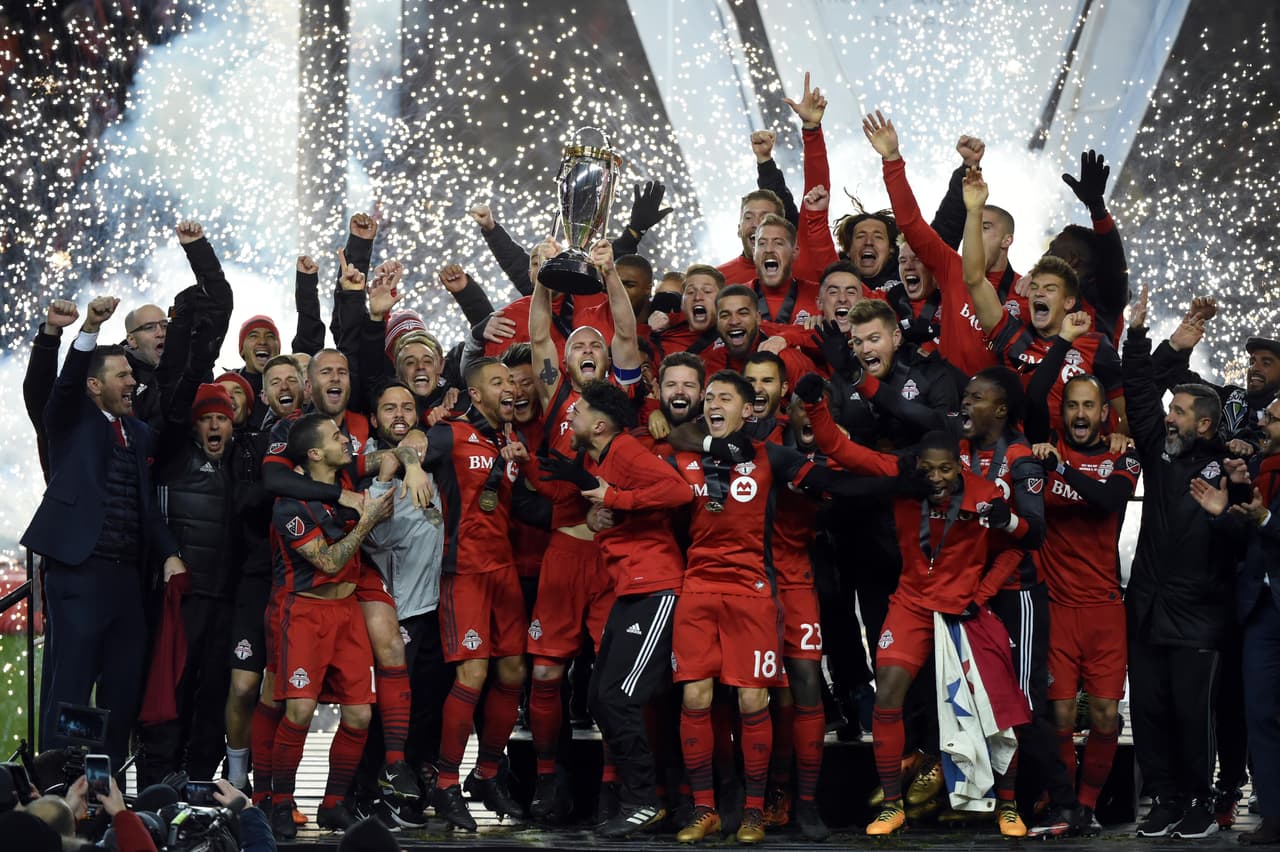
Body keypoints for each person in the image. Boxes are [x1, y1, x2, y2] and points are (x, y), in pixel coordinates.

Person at [796, 382, 1030, 838]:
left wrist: (982, 595)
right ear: (918, 467)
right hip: (911, 606)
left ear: (959, 469)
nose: (937, 480)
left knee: (999, 711)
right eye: (929, 471)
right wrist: (813, 404)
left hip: (965, 611)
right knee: (887, 694)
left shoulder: (984, 495)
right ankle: (892, 805)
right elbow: (838, 447)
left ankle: (1008, 806)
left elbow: (1016, 549)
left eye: (946, 471)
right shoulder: (904, 478)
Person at [22, 296, 186, 771]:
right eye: (122, 376)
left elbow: (146, 510)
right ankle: (63, 784)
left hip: (125, 580)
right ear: (94, 385)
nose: (133, 381)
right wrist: (82, 329)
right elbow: (49, 387)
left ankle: (106, 782)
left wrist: (170, 553)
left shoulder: (137, 435)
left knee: (122, 685)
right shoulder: (69, 420)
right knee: (72, 684)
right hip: (79, 572)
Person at [523, 237, 643, 821]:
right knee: (546, 671)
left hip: (616, 559)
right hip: (564, 558)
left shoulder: (618, 391)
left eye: (595, 343)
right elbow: (541, 330)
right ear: (566, 362)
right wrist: (545, 276)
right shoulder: (555, 392)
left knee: (615, 681)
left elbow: (624, 329)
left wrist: (608, 275)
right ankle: (550, 780)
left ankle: (615, 787)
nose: (591, 346)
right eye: (581, 344)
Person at [539, 380, 693, 837]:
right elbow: (612, 507)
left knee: (618, 697)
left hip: (657, 587)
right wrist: (597, 512)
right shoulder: (597, 458)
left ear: (601, 424)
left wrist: (614, 500)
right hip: (631, 587)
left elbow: (678, 492)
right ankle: (642, 798)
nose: (572, 417)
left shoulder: (624, 449)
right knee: (598, 698)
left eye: (579, 411)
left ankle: (647, 801)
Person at [1124, 286, 1245, 839]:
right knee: (1149, 710)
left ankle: (1201, 797)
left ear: (1204, 424)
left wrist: (1224, 512)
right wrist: (1139, 335)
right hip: (1148, 605)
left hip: (1198, 611)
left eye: (1179, 413)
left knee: (1193, 716)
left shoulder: (1229, 466)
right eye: (1169, 411)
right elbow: (1140, 389)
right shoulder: (1157, 451)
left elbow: (1245, 541)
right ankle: (1165, 798)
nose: (1168, 418)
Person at [267, 412, 395, 838]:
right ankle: (281, 802)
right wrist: (368, 520)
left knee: (360, 715)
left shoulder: (347, 488)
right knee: (299, 709)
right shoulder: (289, 504)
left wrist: (408, 464)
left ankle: (333, 803)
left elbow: (396, 454)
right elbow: (328, 560)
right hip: (303, 613)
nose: (348, 441)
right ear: (316, 452)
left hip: (347, 613)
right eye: (338, 436)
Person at [422, 357, 532, 831]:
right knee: (473, 672)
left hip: (503, 570)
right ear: (476, 393)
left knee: (513, 670)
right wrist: (408, 464)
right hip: (463, 569)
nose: (509, 386)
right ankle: (445, 783)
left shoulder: (511, 442)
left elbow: (519, 504)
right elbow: (408, 448)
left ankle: (485, 774)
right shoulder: (450, 433)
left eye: (510, 380)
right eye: (498, 381)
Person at [1028, 375, 1140, 837]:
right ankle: (1065, 804)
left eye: (1088, 406)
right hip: (1057, 608)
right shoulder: (1043, 450)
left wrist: (1062, 470)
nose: (1079, 414)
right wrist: (1050, 461)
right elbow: (1033, 395)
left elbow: (1109, 499)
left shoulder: (1123, 453)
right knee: (1057, 716)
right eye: (1072, 405)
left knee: (1105, 715)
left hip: (1105, 609)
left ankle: (1088, 806)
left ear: (1103, 413)